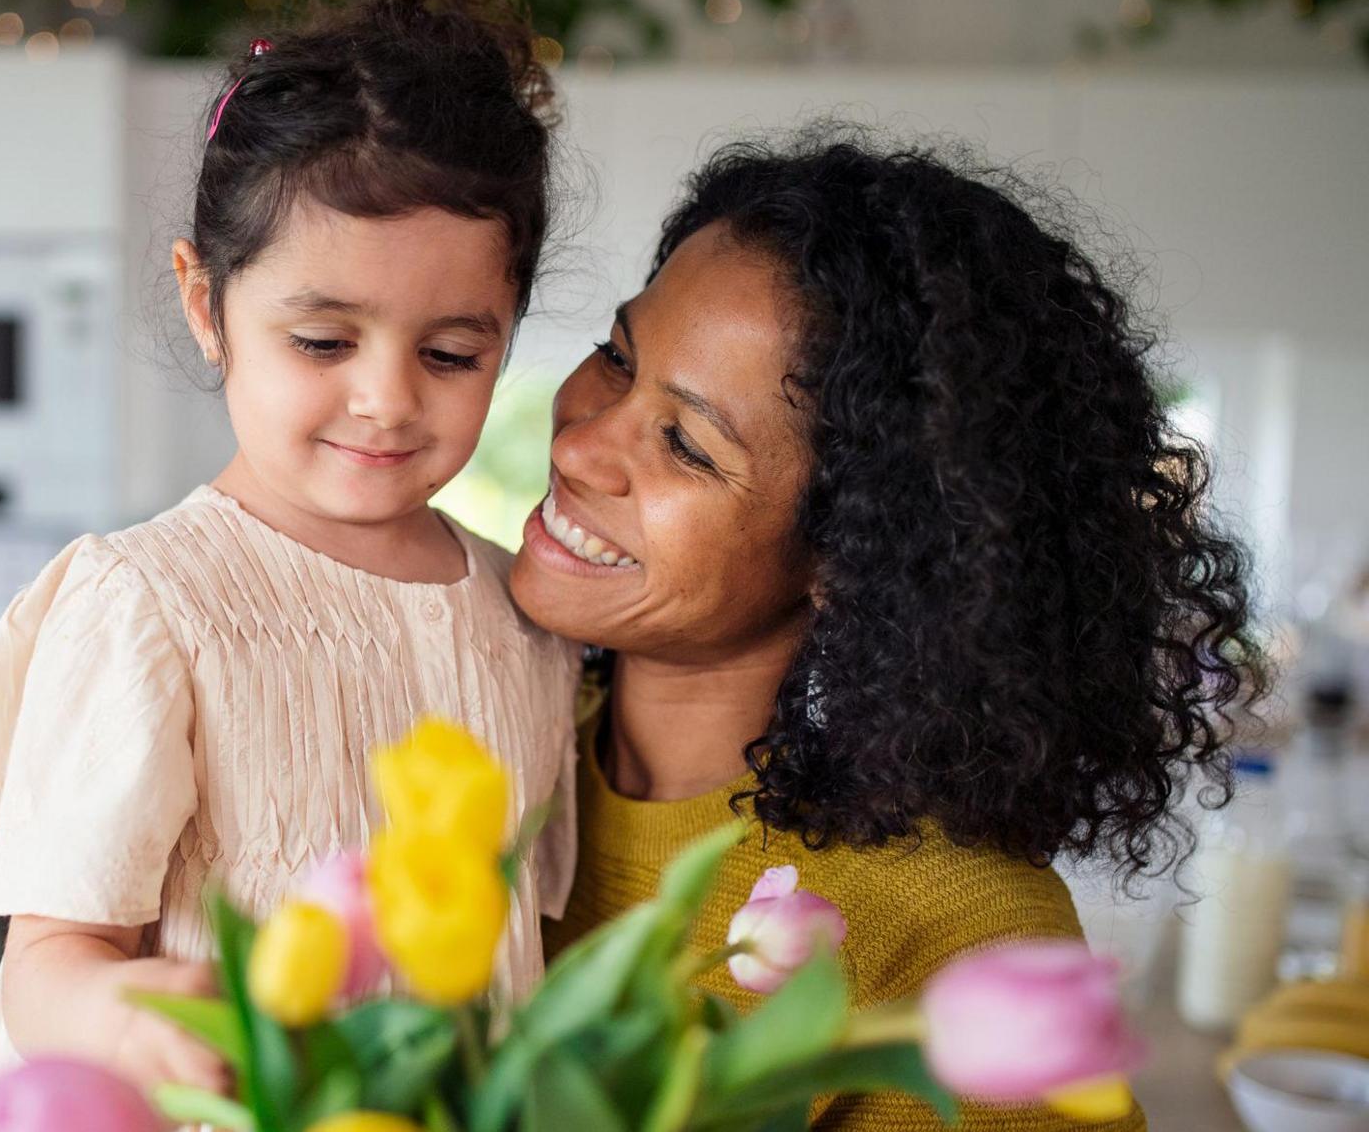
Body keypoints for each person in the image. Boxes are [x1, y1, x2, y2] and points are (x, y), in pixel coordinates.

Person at [0, 0, 579, 1093]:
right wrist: (123, 1017)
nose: (384, 399)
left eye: (450, 354)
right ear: (206, 304)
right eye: (320, 340)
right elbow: (46, 962)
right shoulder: (145, 606)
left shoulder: (520, 612)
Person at [514, 129, 1266, 1130]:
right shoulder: (480, 726)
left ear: (850, 554)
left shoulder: (956, 934)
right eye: (617, 355)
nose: (578, 441)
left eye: (687, 446)